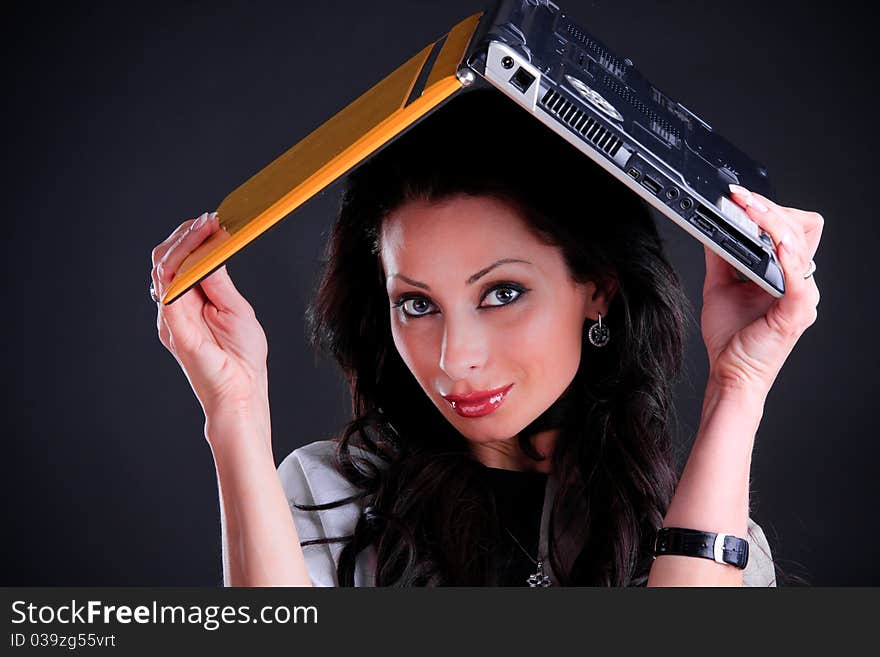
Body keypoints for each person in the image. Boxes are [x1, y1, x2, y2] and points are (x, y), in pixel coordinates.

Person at [149, 89, 822, 586]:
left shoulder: (706, 529)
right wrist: (232, 411)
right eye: (416, 303)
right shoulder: (327, 496)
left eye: (502, 293)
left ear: (598, 287)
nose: (455, 359)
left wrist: (739, 385)